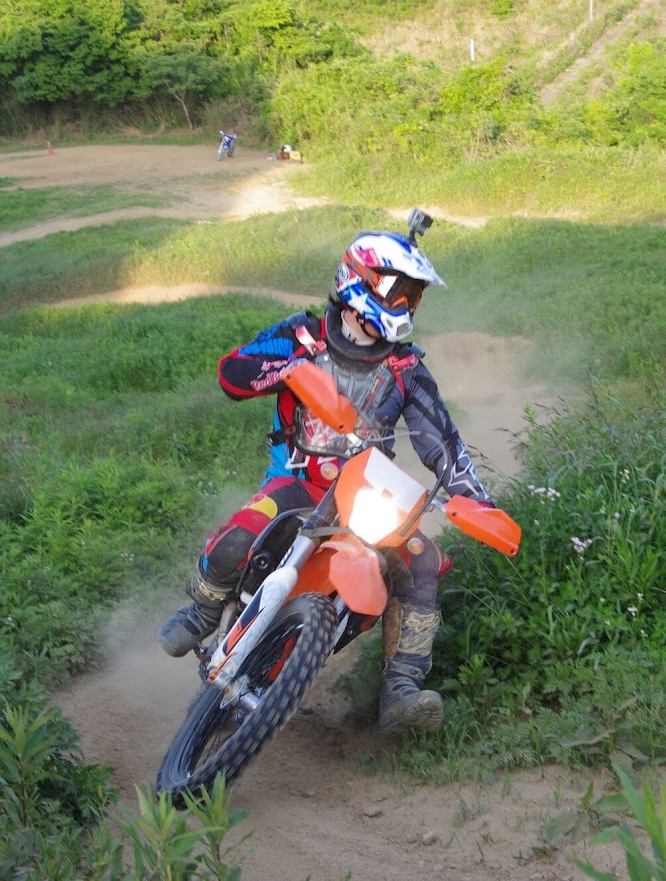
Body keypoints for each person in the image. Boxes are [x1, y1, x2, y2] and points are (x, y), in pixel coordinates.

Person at [157, 212, 495, 735]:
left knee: (422, 561)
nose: (406, 304)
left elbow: (443, 444)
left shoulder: (406, 369)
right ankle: (202, 608)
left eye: (414, 295)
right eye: (399, 290)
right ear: (359, 280)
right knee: (242, 535)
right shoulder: (302, 336)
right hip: (296, 480)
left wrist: (477, 501)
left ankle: (401, 692)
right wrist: (290, 370)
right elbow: (232, 372)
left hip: (364, 495)